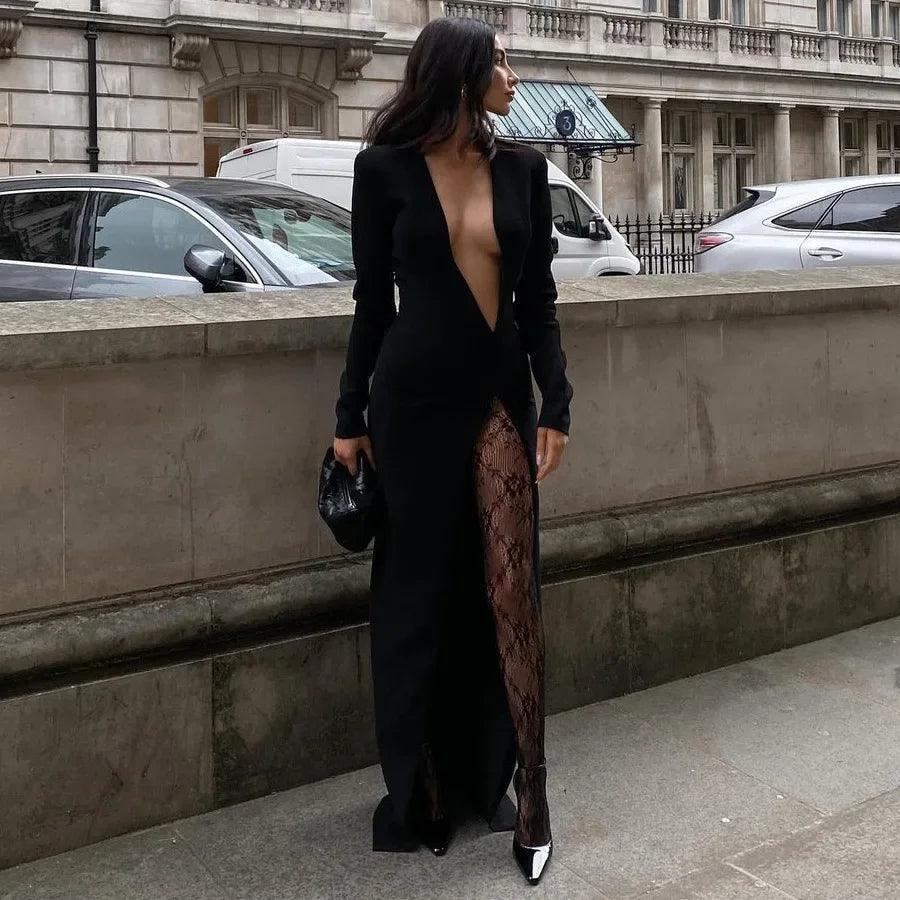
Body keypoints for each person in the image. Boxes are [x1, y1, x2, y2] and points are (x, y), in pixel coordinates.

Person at [332, 15, 573, 887]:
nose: (513, 75)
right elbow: (371, 304)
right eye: (501, 61)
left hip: (500, 396)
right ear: (463, 73)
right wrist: (348, 414)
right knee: (421, 591)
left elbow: (539, 302)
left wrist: (558, 401)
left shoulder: (525, 171)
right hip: (411, 405)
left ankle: (532, 794)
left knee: (512, 592)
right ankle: (426, 786)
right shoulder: (383, 170)